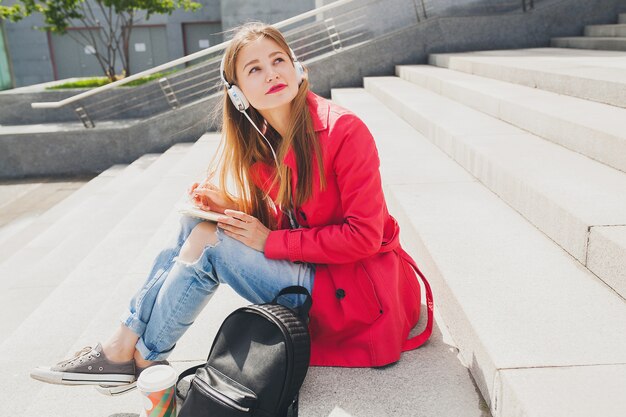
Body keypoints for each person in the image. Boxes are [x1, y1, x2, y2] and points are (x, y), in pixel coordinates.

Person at [31, 22, 433, 394]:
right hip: (318, 273)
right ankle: (125, 347)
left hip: (353, 294)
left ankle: (139, 356)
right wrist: (230, 207)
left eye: (278, 60)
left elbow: (363, 237)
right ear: (237, 92)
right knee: (198, 221)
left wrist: (271, 241)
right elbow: (295, 217)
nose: (272, 73)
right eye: (254, 69)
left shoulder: (345, 132)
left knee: (212, 245)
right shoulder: (263, 144)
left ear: (298, 68)